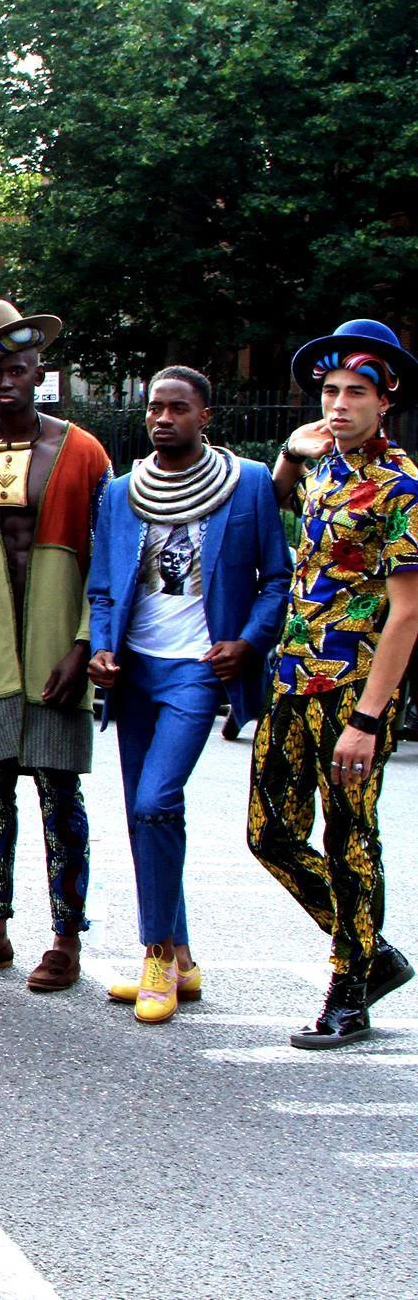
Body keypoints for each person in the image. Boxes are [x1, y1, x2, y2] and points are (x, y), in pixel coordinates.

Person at [86, 365, 289, 1023]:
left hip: (198, 669)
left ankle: (155, 957)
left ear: (205, 416)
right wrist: (102, 647)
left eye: (177, 408)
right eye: (154, 408)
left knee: (155, 801)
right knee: (145, 813)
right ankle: (184, 956)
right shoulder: (122, 492)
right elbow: (103, 586)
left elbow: (276, 579)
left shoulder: (247, 484)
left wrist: (249, 642)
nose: (162, 418)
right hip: (136, 670)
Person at [253, 319, 418, 1047]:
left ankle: (350, 987)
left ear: (387, 400)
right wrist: (293, 451)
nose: (340, 404)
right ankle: (372, 950)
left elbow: (409, 612)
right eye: (330, 392)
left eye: (356, 392)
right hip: (293, 675)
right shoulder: (324, 465)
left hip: (354, 685)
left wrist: (370, 718)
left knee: (352, 832)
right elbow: (277, 498)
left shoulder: (402, 485)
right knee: (268, 833)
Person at [0, 299, 111, 991]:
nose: (6, 380)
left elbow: (108, 556)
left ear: (40, 370)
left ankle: (66, 938)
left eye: (17, 367)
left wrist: (84, 643)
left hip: (55, 647)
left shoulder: (82, 451)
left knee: (60, 795)